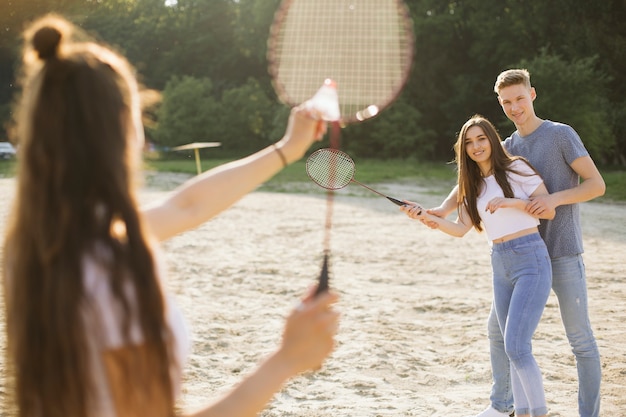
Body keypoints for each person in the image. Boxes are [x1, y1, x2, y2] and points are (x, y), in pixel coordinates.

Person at [2, 14, 340, 417]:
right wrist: (285, 361)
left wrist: (289, 147)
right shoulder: (109, 269)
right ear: (123, 130)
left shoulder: (43, 242)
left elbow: (186, 206)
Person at [426, 69, 605, 417]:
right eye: (506, 102)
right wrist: (443, 209)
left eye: (519, 98)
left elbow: (596, 185)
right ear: (500, 104)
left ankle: (589, 413)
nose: (514, 107)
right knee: (498, 333)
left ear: (532, 95)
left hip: (562, 248)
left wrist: (554, 200)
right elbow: (470, 181)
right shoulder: (507, 146)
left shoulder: (560, 135)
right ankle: (502, 405)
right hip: (519, 255)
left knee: (580, 340)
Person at [402, 115, 554, 417]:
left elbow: (547, 208)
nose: (476, 146)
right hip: (499, 262)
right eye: (469, 142)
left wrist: (512, 202)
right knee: (506, 342)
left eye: (481, 139)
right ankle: (518, 411)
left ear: (492, 139)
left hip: (530, 259)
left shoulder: (517, 168)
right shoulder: (470, 186)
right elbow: (460, 229)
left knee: (516, 346)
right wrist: (424, 217)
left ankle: (537, 412)